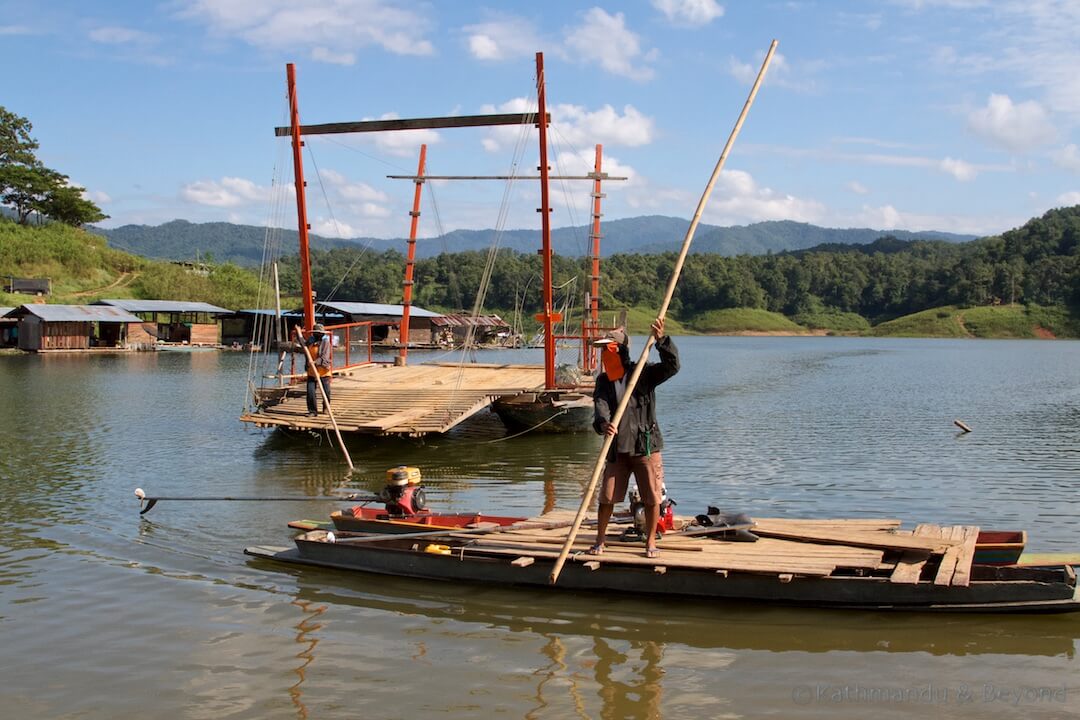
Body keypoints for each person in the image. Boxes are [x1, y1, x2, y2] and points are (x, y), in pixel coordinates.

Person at [589, 317, 679, 558]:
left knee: (651, 496)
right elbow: (600, 405)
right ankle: (600, 541)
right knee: (606, 495)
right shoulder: (603, 380)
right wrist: (603, 424)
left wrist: (662, 340)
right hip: (617, 447)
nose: (604, 356)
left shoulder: (642, 372)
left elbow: (672, 366)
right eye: (602, 352)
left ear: (618, 351)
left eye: (608, 350)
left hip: (644, 445)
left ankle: (650, 542)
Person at [304, 323, 333, 416]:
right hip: (312, 371)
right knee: (310, 392)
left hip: (323, 371)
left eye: (321, 333)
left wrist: (315, 362)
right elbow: (304, 349)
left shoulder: (326, 343)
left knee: (326, 391)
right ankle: (312, 411)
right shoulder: (310, 341)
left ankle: (326, 407)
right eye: (317, 333)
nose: (319, 335)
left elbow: (324, 357)